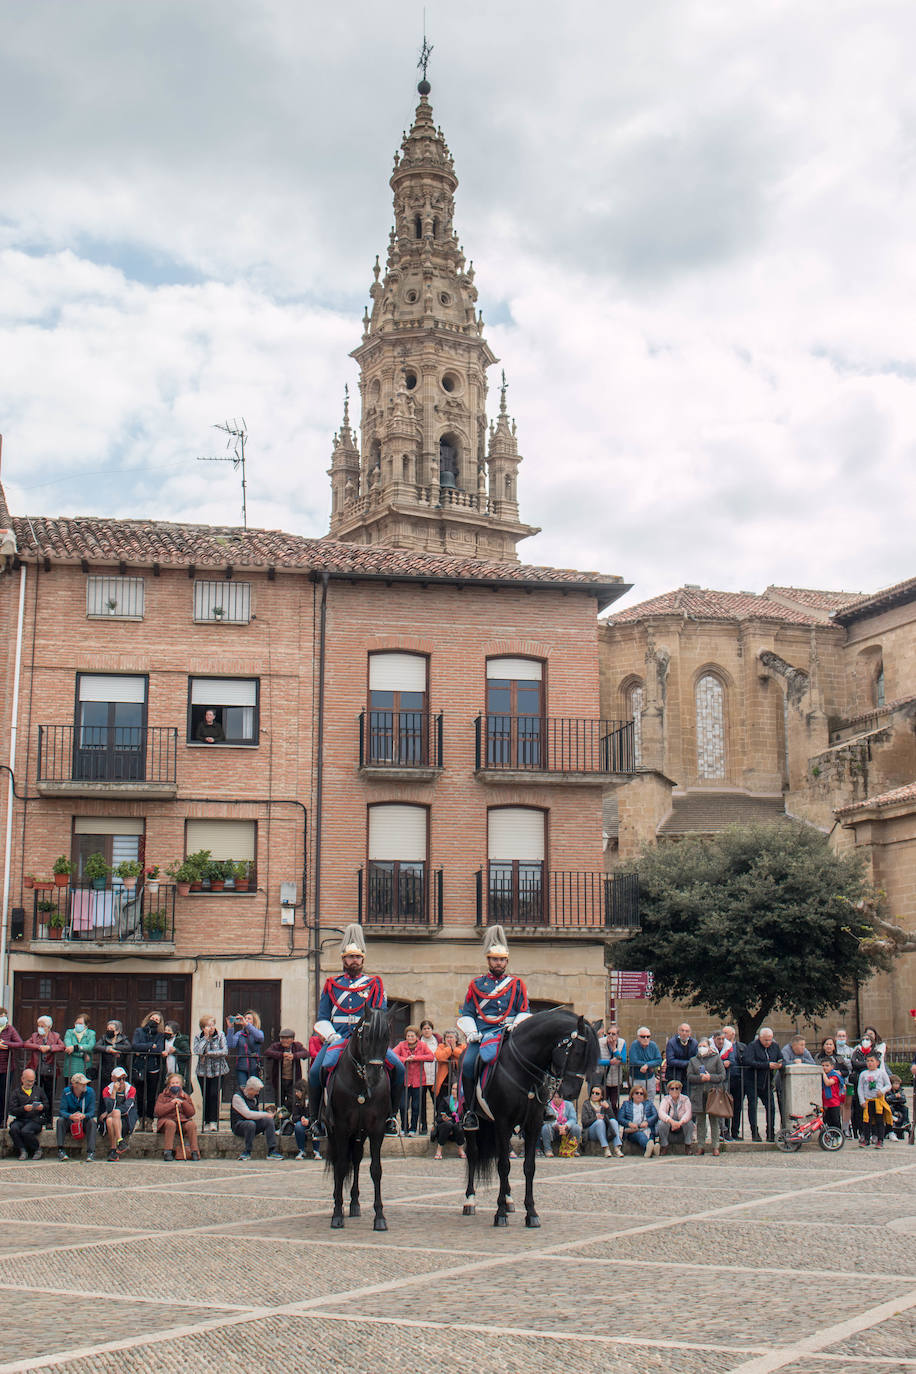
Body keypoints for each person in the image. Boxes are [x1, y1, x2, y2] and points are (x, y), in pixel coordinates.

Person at [308, 925, 404, 1133]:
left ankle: (391, 1117)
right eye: (350, 957)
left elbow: (379, 1015)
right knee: (316, 1071)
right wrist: (331, 1035)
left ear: (363, 960)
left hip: (367, 1041)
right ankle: (315, 1119)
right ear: (343, 960)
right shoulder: (332, 984)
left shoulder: (374, 984)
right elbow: (323, 1017)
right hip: (339, 1038)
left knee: (399, 1068)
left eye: (357, 957)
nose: (354, 961)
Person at [457, 923, 530, 1131]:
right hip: (483, 1034)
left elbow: (524, 1010)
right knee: (469, 1064)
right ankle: (470, 1111)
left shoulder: (516, 985)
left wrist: (515, 1024)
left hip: (510, 1034)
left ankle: (541, 1108)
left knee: (534, 1061)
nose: (498, 963)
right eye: (495, 959)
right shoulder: (476, 985)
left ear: (507, 961)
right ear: (488, 960)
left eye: (502, 959)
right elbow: (468, 1012)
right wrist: (472, 1033)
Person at [739, 1027, 782, 1142]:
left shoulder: (775, 1046)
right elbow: (748, 1061)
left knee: (771, 1107)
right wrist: (767, 1065)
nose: (768, 1043)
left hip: (766, 1082)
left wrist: (780, 1064)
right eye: (765, 1040)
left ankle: (770, 1132)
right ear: (760, 1038)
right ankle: (755, 1132)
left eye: (770, 1040)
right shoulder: (752, 1046)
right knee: (753, 1106)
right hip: (752, 1081)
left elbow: (780, 1058)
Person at [687, 1038, 727, 1156]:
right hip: (698, 1094)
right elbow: (689, 1076)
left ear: (709, 1047)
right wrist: (700, 1078)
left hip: (712, 1093)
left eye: (704, 1045)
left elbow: (722, 1075)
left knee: (714, 1120)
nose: (702, 1048)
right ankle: (701, 1146)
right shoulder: (693, 1060)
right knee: (700, 1121)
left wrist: (711, 1078)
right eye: (700, 1046)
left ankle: (715, 1146)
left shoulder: (716, 1059)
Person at [230, 1075, 283, 1160]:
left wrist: (267, 1116)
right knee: (250, 1124)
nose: (258, 1093)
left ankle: (272, 1151)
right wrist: (265, 1114)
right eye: (256, 1091)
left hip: (253, 1124)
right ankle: (247, 1152)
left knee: (268, 1121)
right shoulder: (237, 1097)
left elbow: (256, 1113)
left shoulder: (254, 1097)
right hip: (239, 1125)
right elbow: (248, 1114)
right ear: (250, 1089)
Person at [394, 1025, 435, 1135]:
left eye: (412, 1036)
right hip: (405, 1081)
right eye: (408, 1036)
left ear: (417, 1036)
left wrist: (416, 1058)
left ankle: (413, 1128)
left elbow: (431, 1057)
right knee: (403, 1106)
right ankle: (404, 1127)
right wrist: (405, 1059)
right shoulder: (401, 1045)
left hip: (419, 1081)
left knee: (416, 1106)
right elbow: (393, 1055)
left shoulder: (422, 1045)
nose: (410, 1038)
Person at [193, 1015, 229, 1131]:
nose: (212, 1027)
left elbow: (224, 1051)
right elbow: (198, 1051)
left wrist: (209, 1053)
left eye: (213, 1024)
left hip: (218, 1071)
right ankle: (206, 1121)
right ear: (203, 1027)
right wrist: (206, 1038)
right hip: (203, 1072)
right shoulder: (199, 1037)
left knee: (214, 1094)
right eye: (209, 1025)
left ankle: (214, 1121)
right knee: (206, 1095)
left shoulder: (220, 1035)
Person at [154, 1071, 200, 1161]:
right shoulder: (162, 1096)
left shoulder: (185, 1096)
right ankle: (168, 1151)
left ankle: (194, 1151)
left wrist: (183, 1103)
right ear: (169, 1085)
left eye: (177, 1083)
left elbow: (191, 1112)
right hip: (167, 1121)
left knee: (191, 1125)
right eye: (173, 1083)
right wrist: (171, 1104)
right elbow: (158, 1111)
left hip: (182, 1121)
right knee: (171, 1124)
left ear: (181, 1084)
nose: (175, 1085)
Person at [131, 1011, 166, 1130]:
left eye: (157, 1020)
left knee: (151, 1096)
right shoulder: (139, 1031)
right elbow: (135, 1045)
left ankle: (149, 1120)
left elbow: (160, 1049)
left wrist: (147, 1047)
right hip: (140, 1066)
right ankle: (140, 1119)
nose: (154, 1021)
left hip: (153, 1067)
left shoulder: (160, 1035)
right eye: (153, 1018)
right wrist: (151, 1045)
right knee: (140, 1095)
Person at [24, 1016, 64, 1119]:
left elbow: (62, 1047)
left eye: (43, 1026)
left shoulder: (55, 1036)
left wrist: (50, 1048)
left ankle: (48, 1118)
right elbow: (26, 1044)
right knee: (36, 1094)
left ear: (49, 1027)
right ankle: (35, 1117)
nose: (40, 1028)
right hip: (36, 1069)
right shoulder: (34, 1036)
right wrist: (38, 1047)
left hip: (50, 1070)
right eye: (39, 1026)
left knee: (49, 1095)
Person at [7, 1068, 49, 1160]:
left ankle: (37, 1149)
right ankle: (22, 1150)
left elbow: (47, 1105)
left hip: (35, 1120)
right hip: (21, 1119)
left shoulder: (39, 1090)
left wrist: (42, 1107)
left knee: (25, 1131)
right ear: (22, 1079)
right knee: (13, 1129)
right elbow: (12, 1110)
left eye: (32, 1081)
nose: (30, 1083)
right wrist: (23, 1109)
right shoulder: (16, 1092)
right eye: (28, 1081)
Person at [98, 1066, 138, 1160]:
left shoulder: (131, 1089)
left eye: (124, 1078)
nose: (122, 1081)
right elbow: (109, 1107)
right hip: (113, 1119)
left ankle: (114, 1147)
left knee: (114, 1114)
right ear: (113, 1079)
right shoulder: (107, 1090)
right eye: (119, 1079)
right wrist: (114, 1092)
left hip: (126, 1119)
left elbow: (127, 1107)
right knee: (109, 1121)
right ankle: (118, 1145)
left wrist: (111, 1113)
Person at [56, 1072, 97, 1161]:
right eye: (82, 1084)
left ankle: (91, 1152)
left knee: (92, 1122)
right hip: (70, 1120)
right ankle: (60, 1150)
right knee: (60, 1121)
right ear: (75, 1085)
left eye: (85, 1083)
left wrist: (84, 1116)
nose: (85, 1085)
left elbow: (92, 1111)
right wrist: (70, 1116)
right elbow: (62, 1111)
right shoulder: (66, 1092)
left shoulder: (90, 1092)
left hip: (83, 1120)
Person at [265, 1028, 308, 1110]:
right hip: (279, 1079)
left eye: (287, 1038)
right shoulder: (276, 1046)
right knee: (279, 1101)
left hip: (293, 1080)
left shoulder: (297, 1046)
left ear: (292, 1039)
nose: (284, 1040)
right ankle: (280, 1119)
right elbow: (268, 1052)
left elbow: (306, 1053)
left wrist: (294, 1056)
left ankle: (289, 1118)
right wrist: (281, 1055)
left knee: (292, 1101)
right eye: (282, 1038)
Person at [858, 1052, 892, 1149]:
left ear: (877, 1062)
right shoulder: (863, 1074)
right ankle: (866, 1139)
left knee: (879, 1121)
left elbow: (888, 1085)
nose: (870, 1063)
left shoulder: (881, 1073)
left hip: (878, 1101)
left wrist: (882, 1091)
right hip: (868, 1101)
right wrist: (862, 1101)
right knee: (866, 1120)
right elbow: (860, 1088)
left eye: (872, 1061)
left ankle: (880, 1140)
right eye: (868, 1061)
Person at [581, 1084, 623, 1157]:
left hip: (606, 1131)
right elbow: (584, 1123)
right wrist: (595, 1118)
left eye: (597, 1094)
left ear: (601, 1096)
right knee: (599, 1122)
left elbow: (612, 1119)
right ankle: (606, 1148)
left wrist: (608, 1108)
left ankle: (617, 1148)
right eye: (592, 1093)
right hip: (592, 1131)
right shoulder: (586, 1104)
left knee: (613, 1121)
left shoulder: (605, 1103)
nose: (594, 1095)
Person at [618, 1084, 659, 1157]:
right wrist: (629, 1123)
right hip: (633, 1131)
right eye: (637, 1093)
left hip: (647, 1129)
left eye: (641, 1093)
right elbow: (620, 1118)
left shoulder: (649, 1104)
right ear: (632, 1095)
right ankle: (651, 1148)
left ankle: (650, 1150)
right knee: (640, 1135)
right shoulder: (626, 1104)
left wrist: (647, 1122)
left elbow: (655, 1116)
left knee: (649, 1136)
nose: (639, 1095)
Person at [226, 1010, 264, 1089]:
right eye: (245, 1018)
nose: (246, 1020)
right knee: (243, 1089)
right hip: (241, 1067)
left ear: (254, 1021)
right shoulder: (239, 1034)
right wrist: (230, 1028)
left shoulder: (258, 1033)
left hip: (254, 1066)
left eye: (249, 1019)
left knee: (254, 1089)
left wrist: (247, 1025)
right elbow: (230, 1044)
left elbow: (260, 1038)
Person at [657, 1079, 696, 1155]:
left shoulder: (685, 1099)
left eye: (677, 1088)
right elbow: (661, 1112)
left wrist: (680, 1123)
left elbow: (688, 1113)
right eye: (672, 1089)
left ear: (680, 1090)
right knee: (661, 1124)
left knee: (689, 1123)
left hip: (681, 1128)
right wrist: (671, 1121)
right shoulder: (665, 1099)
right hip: (670, 1128)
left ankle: (688, 1146)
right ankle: (664, 1146)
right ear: (668, 1090)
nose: (674, 1090)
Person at [0, 1006, 24, 1119]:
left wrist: (6, 1044)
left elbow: (19, 1043)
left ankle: (3, 1119)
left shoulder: (10, 1029)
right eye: (1, 1016)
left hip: (6, 1067)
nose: (3, 1019)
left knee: (4, 1093)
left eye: (5, 1016)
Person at [288, 1081, 321, 1160]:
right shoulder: (297, 1102)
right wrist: (301, 1118)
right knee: (298, 1127)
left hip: (313, 1121)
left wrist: (309, 1120)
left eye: (297, 1092)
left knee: (316, 1126)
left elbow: (318, 1114)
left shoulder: (313, 1100)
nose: (296, 1094)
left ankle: (316, 1150)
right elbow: (294, 1116)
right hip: (302, 1122)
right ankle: (301, 1150)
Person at [96, 1020, 131, 1094]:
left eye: (111, 1029)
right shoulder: (104, 1038)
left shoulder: (123, 1039)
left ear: (117, 1031)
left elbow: (128, 1047)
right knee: (105, 1091)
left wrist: (114, 1047)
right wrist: (108, 1049)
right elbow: (97, 1047)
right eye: (108, 1029)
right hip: (105, 1070)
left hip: (119, 1068)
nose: (109, 1031)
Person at [417, 1019, 440, 1132]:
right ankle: (423, 1125)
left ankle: (437, 1124)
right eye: (424, 1029)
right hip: (422, 1076)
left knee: (437, 1102)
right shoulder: (418, 1042)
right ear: (421, 1030)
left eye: (428, 1028)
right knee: (422, 1103)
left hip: (434, 1076)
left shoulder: (438, 1041)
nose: (426, 1031)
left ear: (432, 1029)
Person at [629, 1026, 663, 1102]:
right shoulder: (634, 1045)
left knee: (650, 1099)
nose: (646, 1039)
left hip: (650, 1077)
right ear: (638, 1037)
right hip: (637, 1077)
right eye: (643, 1037)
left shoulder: (653, 1045)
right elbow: (633, 1061)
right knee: (637, 1099)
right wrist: (649, 1064)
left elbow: (659, 1060)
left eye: (648, 1036)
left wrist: (647, 1065)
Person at [433, 1029, 463, 1111]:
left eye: (451, 1037)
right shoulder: (441, 1046)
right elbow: (439, 1057)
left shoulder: (462, 1046)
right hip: (443, 1082)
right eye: (447, 1037)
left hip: (456, 1081)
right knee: (441, 1104)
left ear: (456, 1039)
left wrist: (454, 1049)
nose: (449, 1039)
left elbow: (463, 1055)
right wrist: (449, 1049)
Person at [600, 1023, 627, 1114]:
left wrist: (614, 1049)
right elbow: (595, 1060)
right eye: (609, 1033)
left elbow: (623, 1060)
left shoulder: (622, 1042)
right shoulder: (600, 1042)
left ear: (618, 1035)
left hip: (616, 1079)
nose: (610, 1036)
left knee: (614, 1103)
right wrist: (609, 1062)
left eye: (613, 1034)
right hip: (603, 1078)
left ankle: (614, 1121)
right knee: (602, 1103)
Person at [62, 1012, 96, 1084]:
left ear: (86, 1025)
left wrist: (75, 1047)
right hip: (70, 1068)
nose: (77, 1025)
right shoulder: (69, 1032)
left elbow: (90, 1046)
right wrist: (83, 1055)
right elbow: (68, 1047)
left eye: (80, 1023)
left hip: (84, 1068)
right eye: (76, 1023)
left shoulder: (91, 1033)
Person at [664, 1023, 698, 1090]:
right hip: (674, 1075)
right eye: (682, 1030)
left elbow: (696, 1059)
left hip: (688, 1076)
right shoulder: (671, 1043)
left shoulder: (694, 1043)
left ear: (690, 1033)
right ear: (678, 1031)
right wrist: (688, 1063)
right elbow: (670, 1060)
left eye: (687, 1031)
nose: (684, 1033)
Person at [162, 1020, 191, 1088]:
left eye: (169, 1030)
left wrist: (175, 1051)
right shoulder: (162, 1040)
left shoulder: (181, 1041)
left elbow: (187, 1056)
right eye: (165, 1030)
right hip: (166, 1071)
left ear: (174, 1033)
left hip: (178, 1071)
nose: (166, 1032)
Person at [820, 1058, 845, 1131]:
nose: (824, 1068)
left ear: (832, 1067)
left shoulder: (835, 1076)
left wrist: (823, 1074)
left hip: (834, 1102)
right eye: (823, 1066)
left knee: (835, 1122)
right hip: (824, 1102)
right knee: (826, 1122)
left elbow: (828, 1083)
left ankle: (838, 1136)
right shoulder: (821, 1076)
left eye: (827, 1066)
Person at [886, 1075, 910, 1141]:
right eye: (895, 1084)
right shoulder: (888, 1091)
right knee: (891, 1109)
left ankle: (905, 1122)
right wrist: (894, 1096)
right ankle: (893, 1120)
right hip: (891, 1105)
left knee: (905, 1109)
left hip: (899, 1105)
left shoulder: (900, 1091)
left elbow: (904, 1099)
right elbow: (887, 1099)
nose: (897, 1086)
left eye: (898, 1084)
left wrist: (899, 1098)